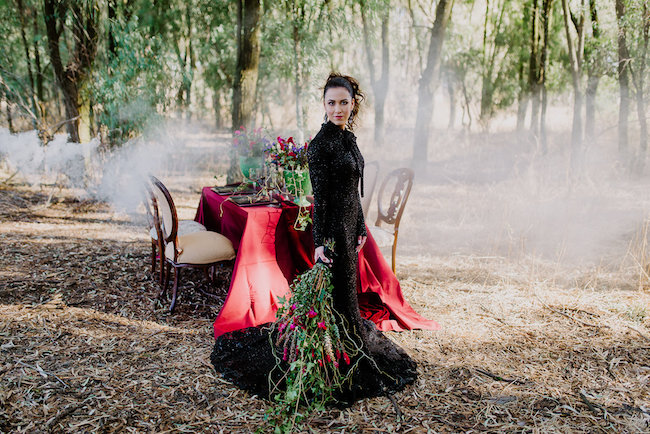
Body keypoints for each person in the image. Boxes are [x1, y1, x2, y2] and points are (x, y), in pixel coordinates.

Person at [211, 73, 417, 406]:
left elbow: (352, 192)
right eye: (332, 103)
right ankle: (334, 353)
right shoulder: (321, 145)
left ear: (353, 104)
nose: (338, 108)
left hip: (350, 227)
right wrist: (320, 242)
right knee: (339, 296)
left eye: (344, 102)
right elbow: (320, 199)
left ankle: (342, 343)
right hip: (333, 231)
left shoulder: (348, 138)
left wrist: (362, 227)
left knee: (344, 296)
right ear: (323, 105)